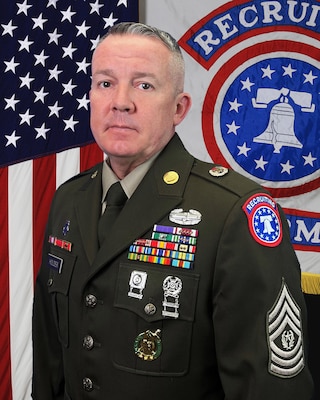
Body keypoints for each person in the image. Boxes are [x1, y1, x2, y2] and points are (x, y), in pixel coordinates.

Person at [32, 22, 314, 399]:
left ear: (179, 108)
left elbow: (269, 389)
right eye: (105, 83)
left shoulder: (233, 213)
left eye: (144, 85)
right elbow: (51, 363)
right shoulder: (68, 200)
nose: (121, 101)